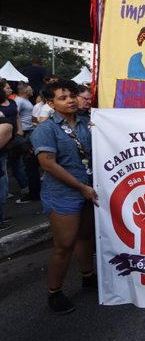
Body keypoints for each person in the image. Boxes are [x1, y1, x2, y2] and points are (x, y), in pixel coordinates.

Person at [31, 79, 99, 314]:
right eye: (62, 97)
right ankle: (55, 292)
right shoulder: (45, 130)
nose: (70, 100)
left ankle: (88, 277)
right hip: (63, 194)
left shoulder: (85, 123)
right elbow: (48, 165)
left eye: (72, 95)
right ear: (50, 103)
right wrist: (81, 187)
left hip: (88, 189)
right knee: (64, 245)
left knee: (86, 237)